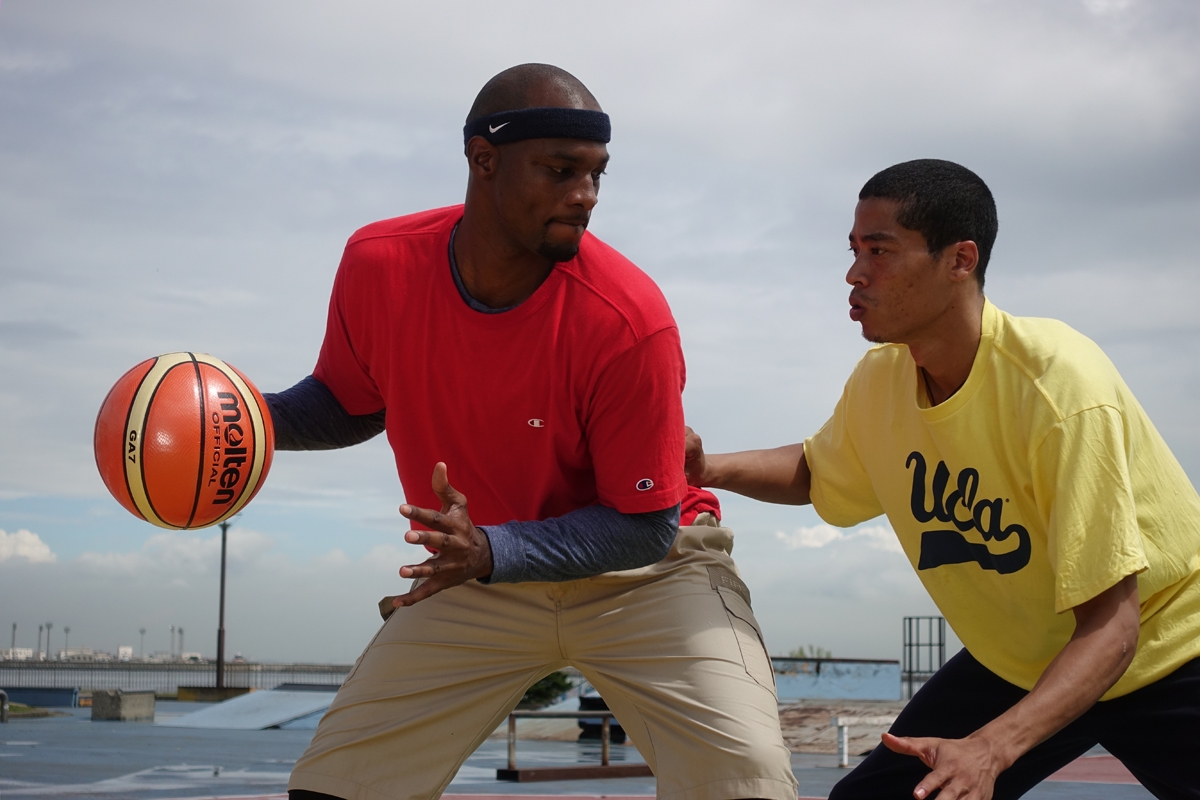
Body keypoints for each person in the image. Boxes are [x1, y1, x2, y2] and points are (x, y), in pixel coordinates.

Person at [267, 64, 797, 800]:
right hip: (483, 577)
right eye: (560, 170)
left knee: (747, 779)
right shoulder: (378, 263)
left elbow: (643, 525)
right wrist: (240, 421)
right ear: (484, 159)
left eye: (596, 176)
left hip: (648, 575)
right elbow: (350, 401)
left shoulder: (628, 319)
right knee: (336, 787)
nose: (584, 196)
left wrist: (491, 550)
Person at [684, 159, 1200, 800]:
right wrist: (706, 469)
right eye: (853, 250)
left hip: (1168, 651)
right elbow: (822, 470)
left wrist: (992, 747)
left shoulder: (1057, 388)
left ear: (960, 260)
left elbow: (1113, 626)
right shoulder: (881, 380)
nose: (854, 273)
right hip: (1020, 661)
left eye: (880, 251)